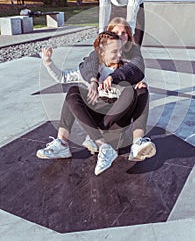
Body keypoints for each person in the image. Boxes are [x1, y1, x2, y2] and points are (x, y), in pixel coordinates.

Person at [37, 19, 156, 175]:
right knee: (73, 92)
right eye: (114, 51)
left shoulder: (128, 64)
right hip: (97, 114)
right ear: (102, 51)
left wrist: (134, 83)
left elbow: (136, 72)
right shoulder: (92, 66)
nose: (119, 54)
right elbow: (63, 77)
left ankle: (133, 142)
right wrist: (48, 63)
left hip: (116, 116)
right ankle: (65, 143)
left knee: (134, 91)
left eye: (123, 34)